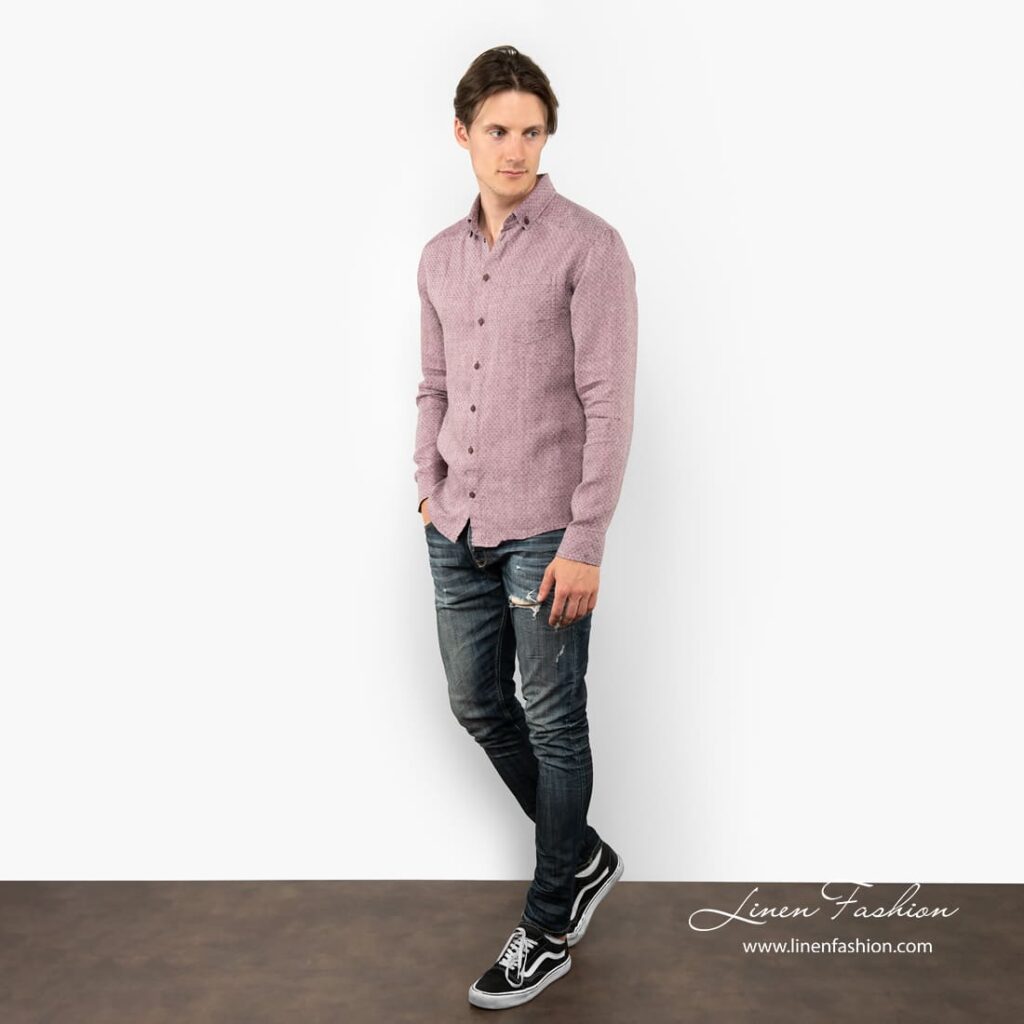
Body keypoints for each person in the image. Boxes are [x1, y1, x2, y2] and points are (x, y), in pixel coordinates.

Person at [413, 44, 638, 1010]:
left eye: (532, 131)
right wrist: (425, 486)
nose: (515, 149)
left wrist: (586, 542)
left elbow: (609, 402)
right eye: (498, 130)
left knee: (553, 718)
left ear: (548, 137)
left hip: (548, 526)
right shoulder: (438, 256)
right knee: (476, 704)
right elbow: (432, 384)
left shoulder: (590, 247)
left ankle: (548, 924)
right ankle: (580, 856)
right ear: (462, 133)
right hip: (454, 522)